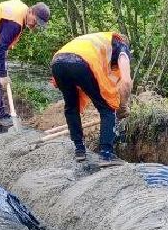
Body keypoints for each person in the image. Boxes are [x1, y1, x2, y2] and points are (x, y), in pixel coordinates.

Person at [0, 0, 51, 129]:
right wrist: (3, 74)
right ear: (30, 11)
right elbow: (0, 47)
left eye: (39, 24)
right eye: (36, 20)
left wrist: (2, 57)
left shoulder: (21, 14)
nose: (35, 25)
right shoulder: (15, 23)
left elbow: (2, 42)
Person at [50, 31, 133, 162]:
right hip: (82, 62)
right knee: (107, 108)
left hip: (57, 62)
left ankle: (79, 150)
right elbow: (126, 81)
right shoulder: (121, 46)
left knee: (71, 106)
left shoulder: (97, 40)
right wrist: (122, 107)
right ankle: (106, 155)